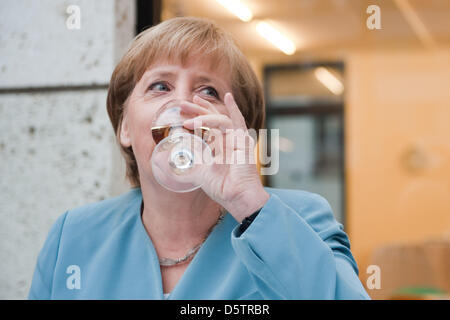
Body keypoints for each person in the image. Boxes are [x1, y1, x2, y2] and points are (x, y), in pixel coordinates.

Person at [28, 17, 370, 300]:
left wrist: (250, 206)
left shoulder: (302, 219)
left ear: (240, 130)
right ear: (125, 128)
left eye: (208, 91)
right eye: (160, 86)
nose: (183, 109)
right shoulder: (72, 237)